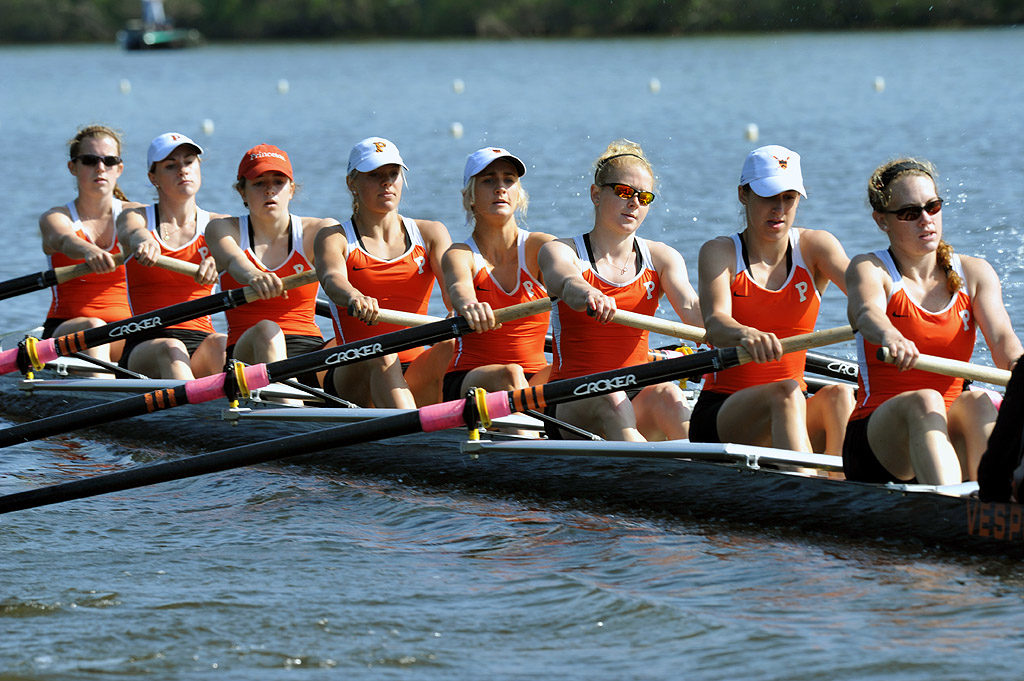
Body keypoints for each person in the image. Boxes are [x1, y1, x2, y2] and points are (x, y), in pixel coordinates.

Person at [844, 157, 1022, 485]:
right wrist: (890, 337)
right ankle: (951, 513)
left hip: (947, 426)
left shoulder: (975, 273)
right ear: (882, 220)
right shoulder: (870, 269)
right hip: (877, 440)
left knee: (980, 401)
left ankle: (995, 505)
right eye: (910, 213)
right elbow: (866, 313)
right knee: (926, 399)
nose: (926, 220)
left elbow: (1002, 341)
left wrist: (1021, 368)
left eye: (933, 207)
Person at [690, 145, 853, 455]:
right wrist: (746, 333)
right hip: (722, 412)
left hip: (791, 402)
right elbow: (716, 324)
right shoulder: (719, 252)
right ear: (743, 195)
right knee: (788, 393)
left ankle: (847, 492)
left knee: (841, 395)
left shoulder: (816, 247)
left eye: (788, 198)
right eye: (768, 196)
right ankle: (811, 492)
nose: (779, 209)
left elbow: (868, 296)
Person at [538, 139, 702, 441]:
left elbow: (693, 310)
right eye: (625, 192)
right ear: (596, 194)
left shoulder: (664, 258)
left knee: (670, 395)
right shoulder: (561, 250)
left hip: (635, 387)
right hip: (572, 396)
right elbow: (565, 282)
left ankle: (706, 474)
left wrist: (739, 323)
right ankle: (661, 473)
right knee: (612, 399)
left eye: (644, 197)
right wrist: (587, 293)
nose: (634, 203)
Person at [315, 136, 452, 408]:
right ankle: (415, 439)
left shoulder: (431, 233)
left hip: (413, 368)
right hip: (354, 366)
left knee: (453, 348)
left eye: (393, 174)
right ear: (351, 183)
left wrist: (464, 307)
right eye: (374, 175)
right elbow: (332, 279)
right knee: (382, 352)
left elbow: (456, 291)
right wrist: (353, 295)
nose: (386, 182)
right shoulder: (334, 237)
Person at [206, 144, 333, 383]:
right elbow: (234, 261)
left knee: (359, 343)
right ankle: (292, 411)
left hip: (309, 351)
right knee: (268, 329)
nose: (269, 191)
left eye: (278, 182)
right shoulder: (224, 229)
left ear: (291, 190)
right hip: (248, 354)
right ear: (242, 192)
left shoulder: (318, 231)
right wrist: (254, 275)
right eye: (258, 183)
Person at [440, 147, 554, 402]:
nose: (500, 188)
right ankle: (537, 438)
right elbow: (460, 288)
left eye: (509, 180)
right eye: (488, 180)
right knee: (510, 374)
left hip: (532, 376)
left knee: (577, 373)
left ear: (519, 194)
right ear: (470, 197)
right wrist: (470, 305)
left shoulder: (542, 247)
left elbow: (569, 277)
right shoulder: (460, 254)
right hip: (468, 378)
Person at [116, 132, 227, 380]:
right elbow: (131, 232)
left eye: (189, 162)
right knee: (172, 348)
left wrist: (220, 261)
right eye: (170, 165)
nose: (182, 170)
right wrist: (143, 241)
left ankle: (254, 414)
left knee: (222, 343)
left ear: (199, 168)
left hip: (201, 340)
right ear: (153, 178)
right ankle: (192, 417)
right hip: (146, 341)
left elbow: (234, 253)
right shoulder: (137, 217)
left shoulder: (220, 225)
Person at [38, 125, 141, 368]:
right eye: (90, 160)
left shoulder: (137, 214)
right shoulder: (56, 217)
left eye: (109, 160)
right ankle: (105, 394)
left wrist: (213, 256)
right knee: (94, 328)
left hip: (127, 330)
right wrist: (88, 250)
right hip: (66, 331)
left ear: (119, 168)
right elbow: (64, 239)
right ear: (72, 167)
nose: (100, 167)